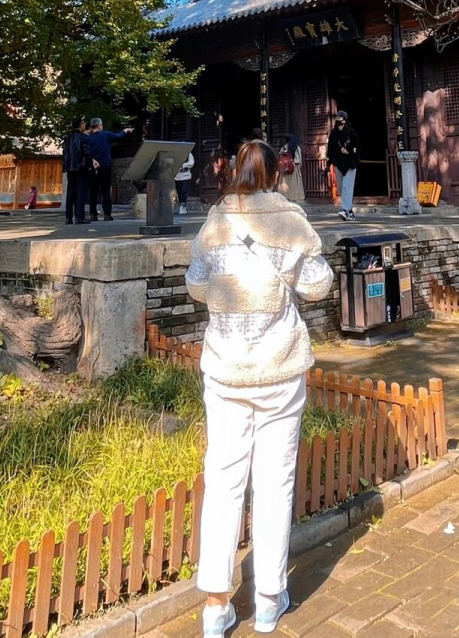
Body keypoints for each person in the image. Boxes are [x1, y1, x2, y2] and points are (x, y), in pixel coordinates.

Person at [186, 141, 334, 636]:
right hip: (278, 365)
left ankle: (214, 603)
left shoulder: (215, 223)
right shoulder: (290, 221)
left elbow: (195, 283)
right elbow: (316, 284)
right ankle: (270, 597)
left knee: (223, 480)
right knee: (276, 480)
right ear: (275, 176)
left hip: (225, 366)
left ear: (234, 173)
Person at [85, 117, 134, 221]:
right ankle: (107, 214)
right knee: (105, 191)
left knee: (93, 191)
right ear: (99, 126)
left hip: (92, 167)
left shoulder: (88, 138)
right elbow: (118, 136)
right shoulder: (105, 135)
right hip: (105, 166)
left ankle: (93, 214)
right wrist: (125, 131)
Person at [327, 110, 361, 221]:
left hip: (350, 163)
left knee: (347, 187)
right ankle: (350, 212)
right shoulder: (333, 133)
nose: (339, 122)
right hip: (338, 164)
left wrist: (349, 150)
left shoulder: (351, 132)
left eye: (340, 120)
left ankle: (345, 210)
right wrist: (329, 162)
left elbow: (357, 147)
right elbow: (330, 149)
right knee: (341, 189)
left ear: (344, 121)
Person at [61, 118, 93, 225]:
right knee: (81, 192)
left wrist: (65, 166)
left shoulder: (67, 139)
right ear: (81, 125)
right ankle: (79, 217)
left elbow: (65, 155)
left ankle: (68, 217)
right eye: (83, 123)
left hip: (70, 168)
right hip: (81, 167)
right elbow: (87, 153)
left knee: (70, 192)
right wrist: (89, 164)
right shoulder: (84, 138)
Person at [277, 132, 304, 205]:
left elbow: (281, 158)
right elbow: (299, 161)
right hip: (294, 169)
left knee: (285, 186)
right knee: (294, 186)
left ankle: (285, 200)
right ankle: (294, 200)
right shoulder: (297, 147)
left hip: (285, 170)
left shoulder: (283, 147)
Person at [174, 148, 194, 215]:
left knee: (184, 191)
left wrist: (183, 165)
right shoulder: (175, 154)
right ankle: (181, 205)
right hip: (177, 176)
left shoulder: (188, 154)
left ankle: (183, 206)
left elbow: (191, 163)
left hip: (186, 175)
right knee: (179, 192)